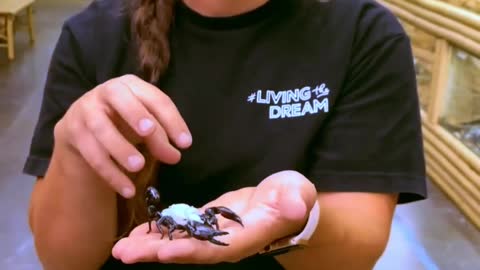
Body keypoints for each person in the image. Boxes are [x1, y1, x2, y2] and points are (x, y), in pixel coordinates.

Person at [23, 0, 428, 269]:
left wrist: (298, 222)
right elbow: (62, 259)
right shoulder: (91, 35)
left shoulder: (365, 34)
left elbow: (360, 242)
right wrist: (73, 149)